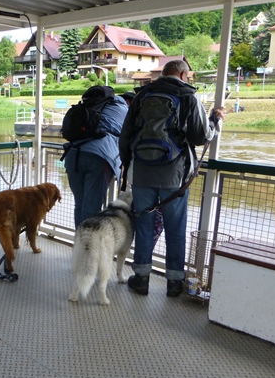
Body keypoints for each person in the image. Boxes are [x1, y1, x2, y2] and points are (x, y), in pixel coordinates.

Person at [119, 59, 225, 297]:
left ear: (164, 73)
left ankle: (141, 279)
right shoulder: (188, 96)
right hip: (175, 176)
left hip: (143, 173)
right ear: (182, 73)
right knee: (175, 228)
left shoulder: (141, 96)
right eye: (188, 75)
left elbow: (125, 136)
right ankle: (174, 283)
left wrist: (127, 166)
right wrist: (215, 120)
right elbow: (201, 136)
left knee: (144, 226)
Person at [63, 85, 128, 228]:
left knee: (79, 204)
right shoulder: (122, 108)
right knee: (92, 208)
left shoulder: (88, 106)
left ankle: (79, 246)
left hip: (73, 154)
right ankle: (88, 249)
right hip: (99, 157)